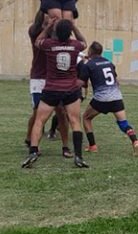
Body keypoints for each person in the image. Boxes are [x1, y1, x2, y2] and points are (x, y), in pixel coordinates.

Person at [22, 18, 89, 169]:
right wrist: (75, 27)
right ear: (70, 33)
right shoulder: (75, 46)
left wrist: (48, 27)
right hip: (71, 90)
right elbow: (84, 42)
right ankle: (78, 156)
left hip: (51, 89)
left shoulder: (49, 45)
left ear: (56, 33)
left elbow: (38, 41)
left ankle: (33, 152)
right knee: (75, 122)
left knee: (39, 120)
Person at [78, 41, 138, 155]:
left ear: (90, 51)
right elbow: (116, 81)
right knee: (123, 124)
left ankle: (92, 146)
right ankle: (135, 141)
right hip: (116, 97)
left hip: (101, 99)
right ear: (101, 51)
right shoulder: (109, 62)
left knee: (86, 118)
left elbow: (82, 83)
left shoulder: (89, 65)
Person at [26, 9, 71, 158]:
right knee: (38, 112)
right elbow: (38, 31)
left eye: (52, 20)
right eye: (47, 20)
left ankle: (65, 146)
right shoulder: (35, 33)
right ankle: (31, 141)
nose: (50, 22)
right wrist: (44, 10)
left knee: (61, 113)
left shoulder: (57, 38)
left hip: (53, 80)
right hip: (39, 78)